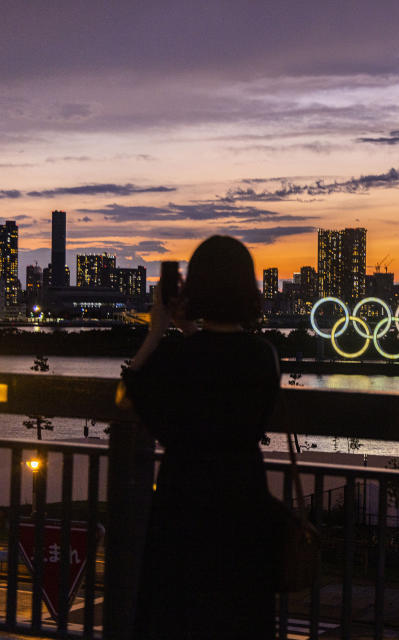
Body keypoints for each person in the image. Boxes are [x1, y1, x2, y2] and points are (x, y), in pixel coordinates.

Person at [119, 236, 280, 639]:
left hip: (184, 496)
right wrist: (187, 329)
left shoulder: (178, 359)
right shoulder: (263, 355)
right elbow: (227, 363)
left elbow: (127, 396)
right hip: (244, 494)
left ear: (197, 288)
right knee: (239, 611)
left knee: (178, 612)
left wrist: (157, 332)